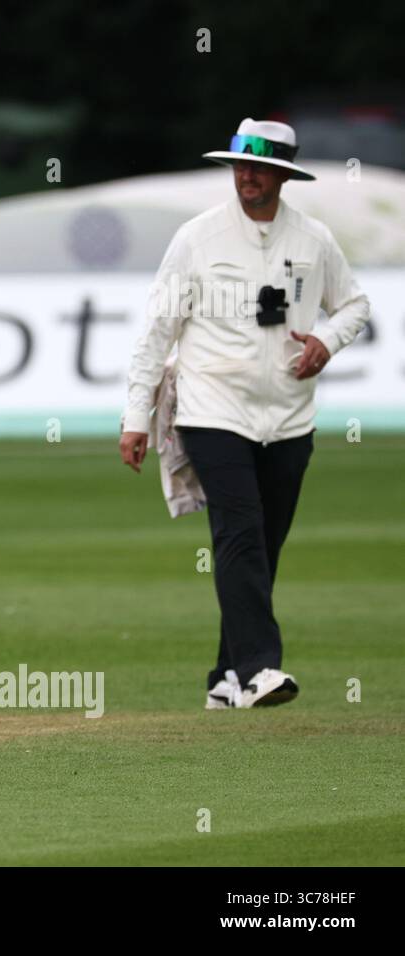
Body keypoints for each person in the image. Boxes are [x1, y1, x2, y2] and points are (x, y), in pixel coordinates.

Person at [119, 118, 370, 710]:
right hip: (211, 411)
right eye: (240, 166)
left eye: (260, 168)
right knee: (238, 533)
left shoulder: (313, 240)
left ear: (283, 174)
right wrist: (136, 415)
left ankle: (224, 677)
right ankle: (260, 670)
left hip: (289, 418)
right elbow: (158, 330)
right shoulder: (197, 238)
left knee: (263, 544)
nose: (247, 178)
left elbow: (354, 304)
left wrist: (326, 342)